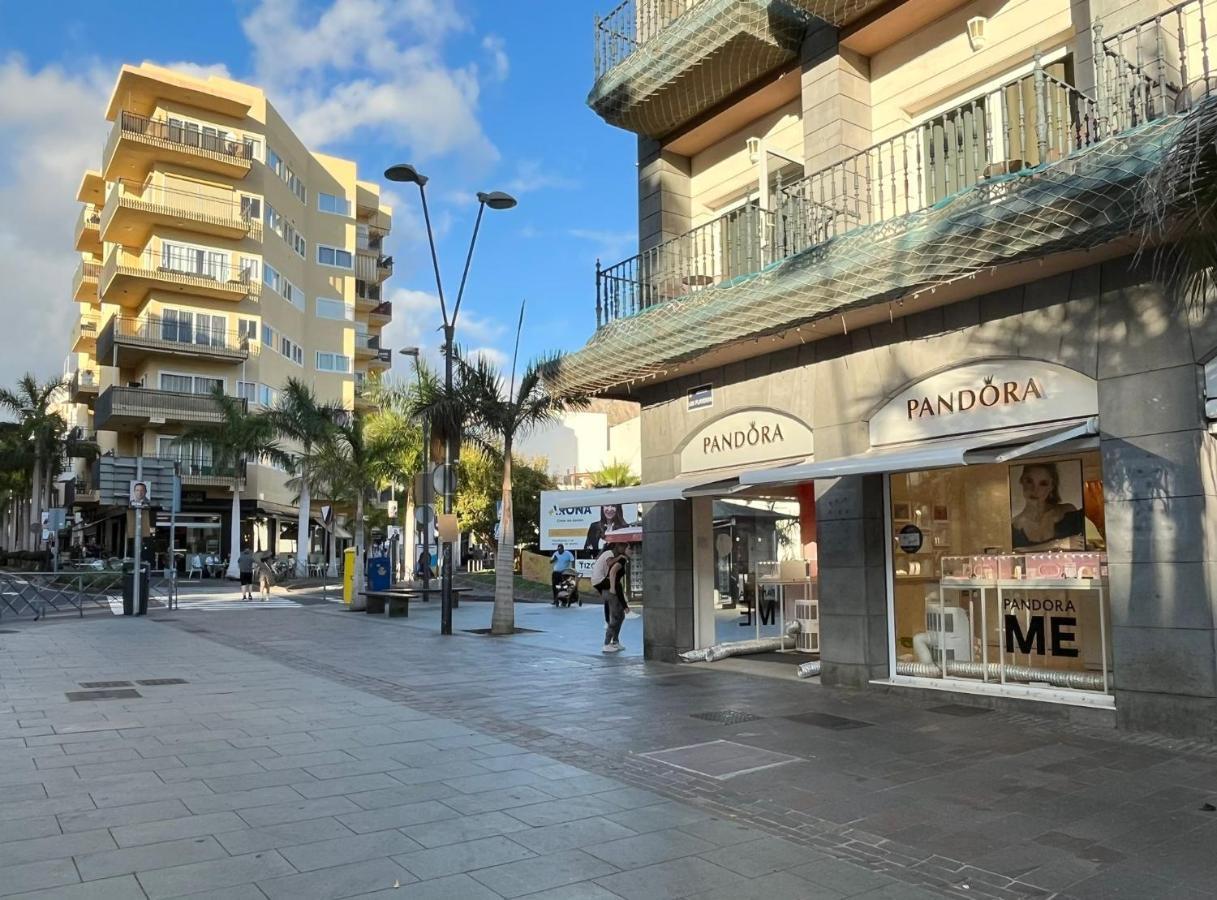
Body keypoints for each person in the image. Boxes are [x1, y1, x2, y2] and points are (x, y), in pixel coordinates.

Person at [1011, 462, 1085, 551]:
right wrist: (1057, 544)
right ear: (1022, 481)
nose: (1035, 489)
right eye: (1029, 481)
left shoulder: (1068, 512)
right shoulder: (1014, 525)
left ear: (1051, 487)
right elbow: (1014, 553)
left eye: (1043, 483)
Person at [602, 552, 630, 653]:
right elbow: (613, 572)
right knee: (615, 618)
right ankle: (606, 643)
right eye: (629, 548)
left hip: (612, 589)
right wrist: (613, 588)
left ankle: (615, 641)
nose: (632, 551)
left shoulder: (619, 559)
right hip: (612, 590)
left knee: (620, 617)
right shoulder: (621, 560)